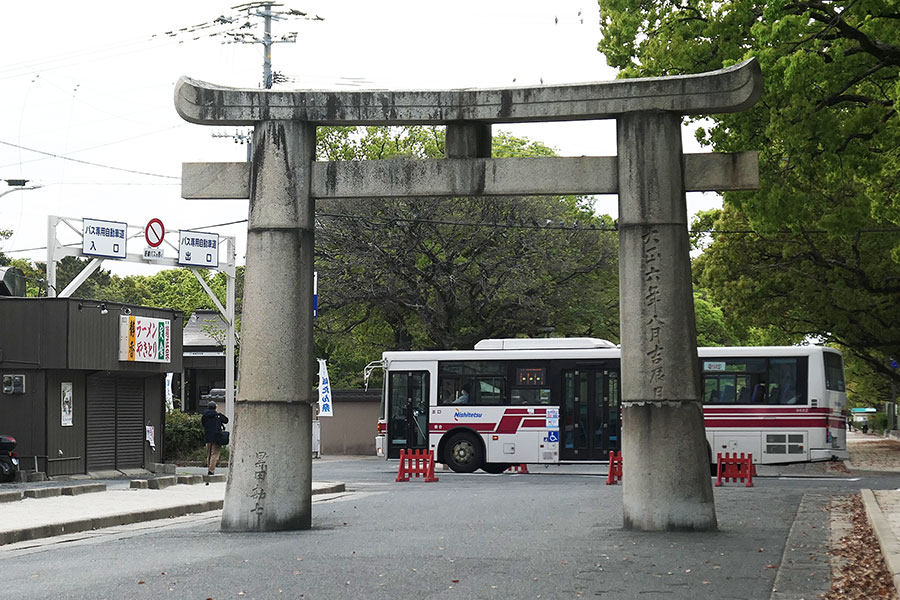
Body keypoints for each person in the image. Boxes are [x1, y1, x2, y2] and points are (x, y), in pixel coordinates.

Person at [201, 400, 229, 479]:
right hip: (217, 437)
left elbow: (203, 424)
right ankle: (211, 470)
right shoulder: (218, 416)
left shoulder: (204, 416)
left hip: (208, 437)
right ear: (215, 407)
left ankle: (209, 468)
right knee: (215, 454)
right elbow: (226, 420)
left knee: (209, 454)